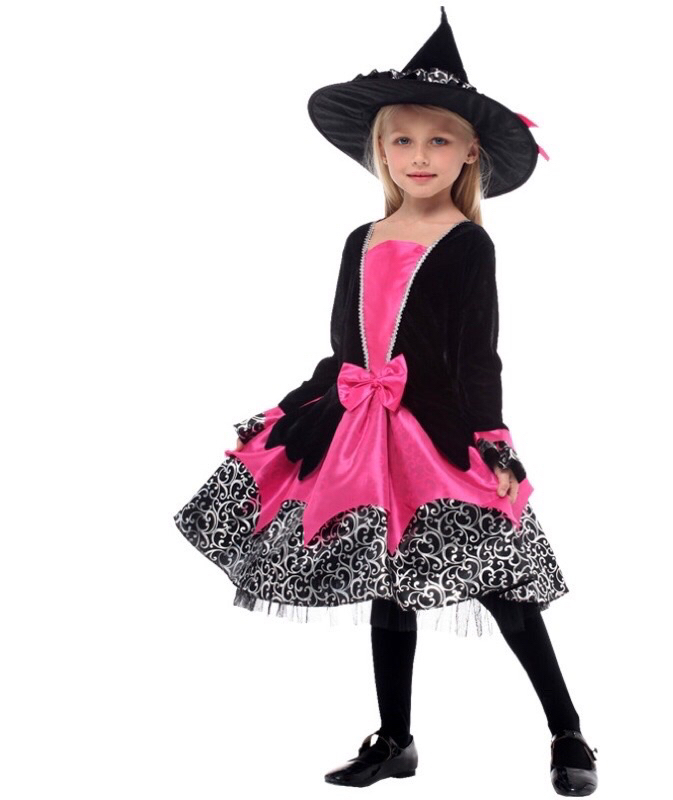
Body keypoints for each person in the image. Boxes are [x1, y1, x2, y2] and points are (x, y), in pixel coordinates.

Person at [173, 7, 598, 796]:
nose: (419, 156)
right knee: (386, 580)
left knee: (500, 584)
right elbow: (345, 350)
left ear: (470, 153)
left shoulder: (467, 244)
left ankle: (567, 731)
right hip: (360, 433)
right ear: (379, 147)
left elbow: (477, 355)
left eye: (438, 141)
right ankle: (395, 738)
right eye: (402, 140)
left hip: (438, 435)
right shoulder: (359, 239)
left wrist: (493, 444)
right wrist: (290, 411)